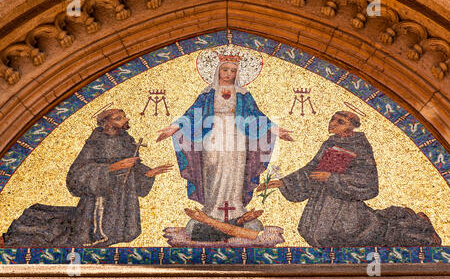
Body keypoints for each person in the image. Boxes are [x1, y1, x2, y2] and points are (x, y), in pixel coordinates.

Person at [156, 54, 293, 241]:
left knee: (235, 169)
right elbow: (192, 114)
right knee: (212, 167)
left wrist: (276, 129)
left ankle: (235, 207)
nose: (229, 73)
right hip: (212, 135)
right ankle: (212, 208)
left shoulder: (244, 95)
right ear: (218, 70)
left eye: (233, 70)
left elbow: (256, 116)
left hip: (237, 137)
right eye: (225, 69)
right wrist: (174, 127)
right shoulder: (207, 94)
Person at [257, 111, 442, 247]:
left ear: (351, 126)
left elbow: (369, 181)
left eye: (340, 121)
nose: (333, 123)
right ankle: (403, 219)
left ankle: (419, 229)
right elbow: (312, 169)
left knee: (351, 232)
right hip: (322, 202)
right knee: (308, 231)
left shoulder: (360, 146)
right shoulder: (330, 143)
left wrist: (332, 179)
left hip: (345, 205)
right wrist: (284, 182)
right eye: (333, 119)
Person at [1, 109, 172, 247]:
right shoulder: (96, 142)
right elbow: (76, 174)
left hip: (124, 196)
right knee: (81, 235)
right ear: (107, 123)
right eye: (119, 118)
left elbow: (134, 168)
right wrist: (113, 167)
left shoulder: (127, 140)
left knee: (127, 233)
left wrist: (148, 174)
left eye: (124, 116)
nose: (125, 119)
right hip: (100, 198)